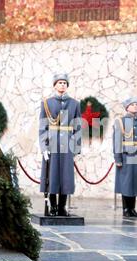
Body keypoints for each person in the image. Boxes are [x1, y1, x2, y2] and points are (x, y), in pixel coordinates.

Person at [39, 73, 81, 216]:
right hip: (52, 144)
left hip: (68, 144)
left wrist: (76, 147)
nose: (62, 85)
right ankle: (53, 206)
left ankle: (62, 206)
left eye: (65, 83)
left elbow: (78, 126)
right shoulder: (47, 103)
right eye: (60, 82)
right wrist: (44, 148)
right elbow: (43, 127)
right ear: (55, 85)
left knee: (66, 176)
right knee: (52, 175)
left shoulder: (75, 104)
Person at [113, 97, 137, 218]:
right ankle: (126, 208)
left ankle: (132, 209)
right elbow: (117, 141)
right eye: (132, 105)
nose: (135, 106)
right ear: (127, 107)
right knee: (126, 183)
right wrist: (118, 158)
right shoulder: (120, 122)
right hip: (126, 156)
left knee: (135, 182)